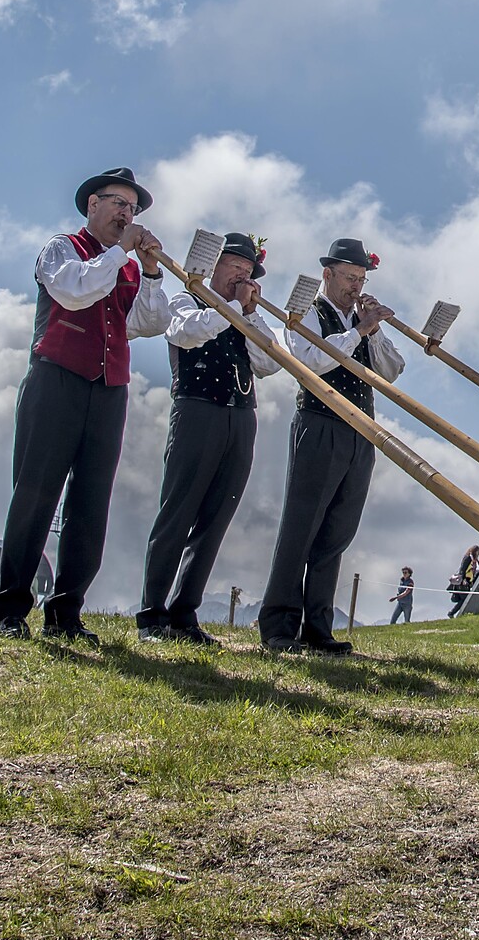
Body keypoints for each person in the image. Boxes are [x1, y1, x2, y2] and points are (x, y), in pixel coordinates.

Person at [0, 167, 168, 643]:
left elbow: (147, 324)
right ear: (93, 204)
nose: (126, 215)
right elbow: (75, 289)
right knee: (36, 493)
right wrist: (121, 251)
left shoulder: (126, 265)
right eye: (118, 204)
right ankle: (11, 607)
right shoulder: (62, 248)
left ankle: (65, 612)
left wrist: (150, 272)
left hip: (109, 389)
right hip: (56, 380)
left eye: (132, 208)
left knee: (91, 503)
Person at [259, 238, 404, 656]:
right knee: (301, 527)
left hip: (361, 429)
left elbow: (392, 371)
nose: (356, 287)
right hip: (319, 424)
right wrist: (357, 331)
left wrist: (372, 331)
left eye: (361, 279)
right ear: (328, 274)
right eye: (349, 277)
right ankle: (278, 625)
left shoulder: (361, 318)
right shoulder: (306, 309)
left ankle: (317, 626)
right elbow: (310, 361)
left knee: (337, 531)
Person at [137, 233, 279, 647]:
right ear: (213, 268)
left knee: (216, 517)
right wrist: (234, 307)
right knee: (178, 512)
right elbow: (186, 334)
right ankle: (151, 613)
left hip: (241, 415)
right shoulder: (187, 300)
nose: (243, 275)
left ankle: (185, 612)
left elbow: (269, 362)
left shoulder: (248, 313)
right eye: (235, 266)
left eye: (249, 270)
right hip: (197, 410)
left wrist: (249, 315)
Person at [447, 545, 479, 616]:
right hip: (462, 583)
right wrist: (463, 579)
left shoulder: (472, 559)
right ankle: (451, 613)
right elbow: (463, 569)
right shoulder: (468, 558)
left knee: (464, 599)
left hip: (467, 582)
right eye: (478, 552)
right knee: (464, 599)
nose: (478, 554)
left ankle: (452, 613)